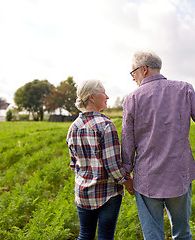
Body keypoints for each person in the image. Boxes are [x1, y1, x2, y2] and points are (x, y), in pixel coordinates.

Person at [121, 51, 195, 240]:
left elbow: (127, 140)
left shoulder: (132, 99)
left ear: (143, 69)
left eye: (133, 73)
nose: (133, 78)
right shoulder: (184, 89)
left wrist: (126, 172)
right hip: (179, 174)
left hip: (146, 177)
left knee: (153, 235)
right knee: (182, 233)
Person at [66, 79, 134, 240]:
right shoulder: (106, 125)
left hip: (82, 192)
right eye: (104, 93)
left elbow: (73, 164)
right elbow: (112, 166)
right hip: (107, 194)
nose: (107, 97)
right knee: (105, 236)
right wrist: (128, 182)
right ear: (92, 97)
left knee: (85, 235)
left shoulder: (73, 127)